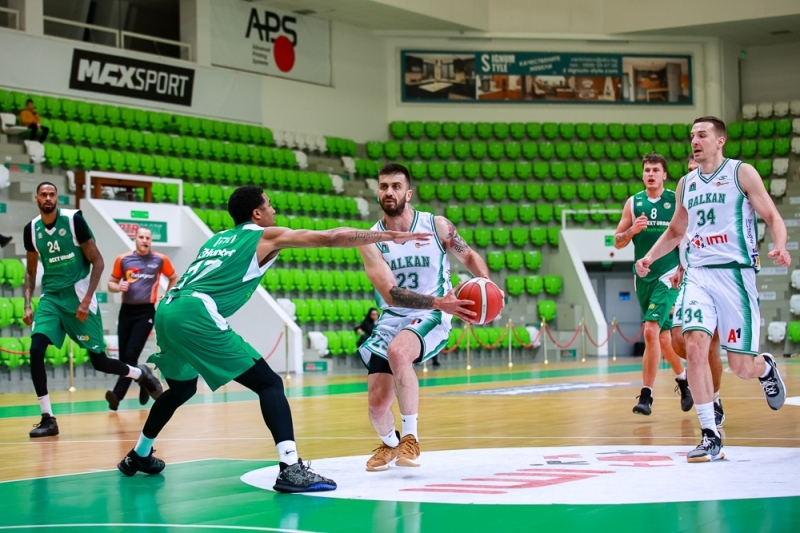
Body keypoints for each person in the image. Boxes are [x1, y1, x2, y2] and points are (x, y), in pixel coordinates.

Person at [118, 185, 431, 493]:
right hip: (195, 312)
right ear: (257, 213)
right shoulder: (263, 235)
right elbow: (329, 237)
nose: (274, 210)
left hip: (167, 309)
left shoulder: (217, 239)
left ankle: (140, 454)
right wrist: (386, 236)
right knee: (269, 383)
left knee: (182, 388)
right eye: (269, 205)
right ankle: (290, 467)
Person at [637, 116, 789, 462]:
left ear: (720, 141)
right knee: (694, 346)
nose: (695, 140)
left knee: (742, 366)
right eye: (692, 135)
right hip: (699, 275)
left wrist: (780, 244)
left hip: (735, 275)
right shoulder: (686, 184)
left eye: (702, 135)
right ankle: (710, 434)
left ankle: (765, 368)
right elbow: (676, 231)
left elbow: (772, 216)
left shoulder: (741, 173)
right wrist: (649, 256)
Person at [358, 163, 495, 472]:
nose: (389, 192)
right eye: (383, 186)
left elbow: (469, 255)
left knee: (399, 352)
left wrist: (485, 283)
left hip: (432, 314)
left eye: (396, 186)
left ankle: (411, 438)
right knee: (377, 404)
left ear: (408, 193)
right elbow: (390, 294)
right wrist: (440, 301)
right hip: (394, 316)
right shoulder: (370, 240)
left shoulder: (437, 226)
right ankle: (391, 445)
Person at [23, 182, 163, 438]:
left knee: (99, 362)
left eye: (52, 194)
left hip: (78, 296)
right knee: (35, 349)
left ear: (57, 197)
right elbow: (31, 270)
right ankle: (48, 418)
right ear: (37, 198)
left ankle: (139, 373)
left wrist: (87, 300)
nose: (48, 198)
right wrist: (26, 303)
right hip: (51, 298)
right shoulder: (31, 229)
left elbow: (98, 261)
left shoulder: (73, 220)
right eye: (43, 194)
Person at [614, 153, 692, 416]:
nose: (650, 174)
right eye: (647, 170)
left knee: (650, 330)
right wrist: (632, 231)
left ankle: (646, 396)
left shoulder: (676, 201)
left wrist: (681, 269)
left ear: (664, 175)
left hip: (668, 276)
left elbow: (685, 239)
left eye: (655, 170)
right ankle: (684, 381)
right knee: (663, 338)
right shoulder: (634, 203)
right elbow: (617, 242)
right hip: (643, 276)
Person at [669, 153, 725, 427]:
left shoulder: (720, 195)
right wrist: (680, 268)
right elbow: (683, 235)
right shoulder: (686, 193)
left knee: (710, 345)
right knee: (678, 341)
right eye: (690, 169)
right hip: (690, 273)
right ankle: (700, 373)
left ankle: (714, 399)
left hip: (718, 276)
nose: (694, 172)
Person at [105, 227, 178, 411]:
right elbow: (111, 283)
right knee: (124, 358)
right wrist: (118, 286)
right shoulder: (123, 259)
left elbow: (174, 277)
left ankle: (117, 395)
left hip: (145, 313)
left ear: (151, 241)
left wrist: (168, 294)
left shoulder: (160, 259)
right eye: (141, 237)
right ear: (135, 239)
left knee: (131, 355)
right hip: (126, 311)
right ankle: (145, 380)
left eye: (148, 238)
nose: (145, 240)